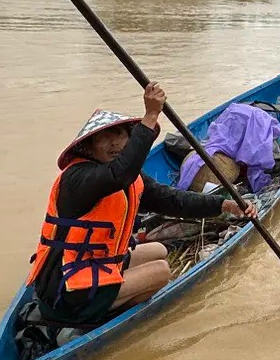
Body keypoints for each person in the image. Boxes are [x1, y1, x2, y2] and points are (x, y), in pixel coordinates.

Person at [28, 82, 252, 328]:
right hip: (65, 288)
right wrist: (151, 115)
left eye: (120, 135)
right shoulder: (79, 177)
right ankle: (87, 321)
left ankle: (107, 307)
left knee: (158, 250)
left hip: (88, 266)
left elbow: (172, 200)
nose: (114, 144)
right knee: (161, 271)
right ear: (89, 147)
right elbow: (118, 175)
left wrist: (224, 205)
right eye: (104, 138)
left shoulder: (130, 177)